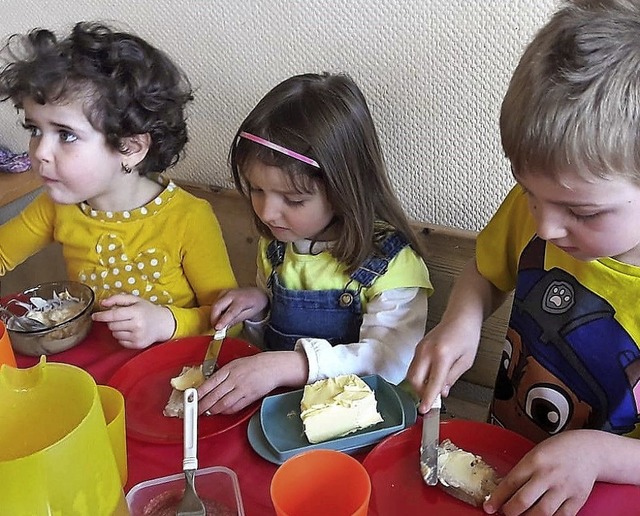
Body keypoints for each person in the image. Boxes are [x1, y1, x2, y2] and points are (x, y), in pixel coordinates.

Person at [406, 1, 640, 514]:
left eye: (582, 211)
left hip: (597, 495)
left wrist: (603, 456)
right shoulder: (540, 210)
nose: (545, 227)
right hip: (503, 458)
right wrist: (461, 322)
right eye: (529, 194)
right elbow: (487, 272)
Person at [199, 72, 433, 414]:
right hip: (287, 415)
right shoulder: (279, 246)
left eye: (292, 200)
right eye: (256, 190)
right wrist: (260, 305)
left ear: (343, 191)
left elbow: (389, 363)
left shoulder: (392, 264)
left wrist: (291, 366)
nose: (267, 212)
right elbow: (268, 344)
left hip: (367, 423)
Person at [0, 22, 237, 349]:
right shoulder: (57, 206)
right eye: (35, 130)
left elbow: (229, 321)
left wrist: (166, 321)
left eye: (66, 135)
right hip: (94, 366)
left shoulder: (189, 217)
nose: (40, 152)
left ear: (130, 147)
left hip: (170, 374)